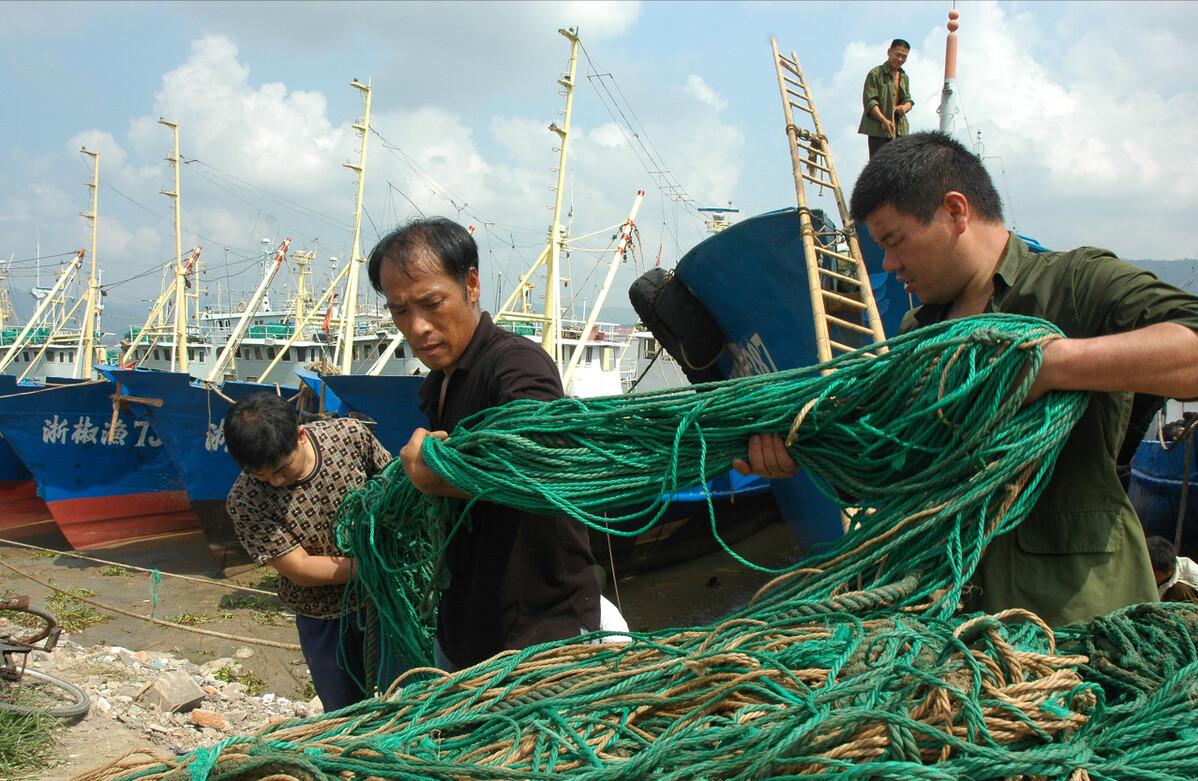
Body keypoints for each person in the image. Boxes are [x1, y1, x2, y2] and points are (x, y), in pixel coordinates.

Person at [736, 131, 1198, 626]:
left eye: (894, 242)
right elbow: (894, 466)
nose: (889, 265)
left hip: (1077, 620)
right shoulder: (919, 333)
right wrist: (806, 454)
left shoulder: (1073, 284)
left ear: (956, 211)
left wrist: (1046, 367)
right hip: (950, 623)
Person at [366, 217, 603, 672]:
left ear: (471, 285)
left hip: (540, 636)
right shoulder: (441, 380)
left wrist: (432, 475)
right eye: (400, 311)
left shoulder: (516, 363)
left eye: (431, 303)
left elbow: (532, 462)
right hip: (466, 627)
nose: (417, 327)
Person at [224, 392, 392, 711]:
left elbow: (393, 486)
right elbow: (299, 569)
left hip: (385, 603)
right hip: (322, 616)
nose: (275, 482)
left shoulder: (350, 437)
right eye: (262, 475)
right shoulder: (245, 499)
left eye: (282, 469)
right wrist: (379, 566)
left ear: (301, 435)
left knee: (404, 693)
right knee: (345, 711)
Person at [859, 39, 914, 158]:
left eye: (904, 57)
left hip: (900, 131)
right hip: (878, 131)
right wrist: (884, 120)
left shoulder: (904, 77)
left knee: (899, 165)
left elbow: (908, 100)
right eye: (898, 55)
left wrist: (904, 107)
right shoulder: (875, 74)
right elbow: (870, 102)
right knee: (879, 164)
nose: (900, 59)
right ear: (889, 52)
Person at [1146, 535, 1198, 602]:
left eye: (1155, 576)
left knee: (1179, 590)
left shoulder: (1193, 573)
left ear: (1171, 570)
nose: (1151, 578)